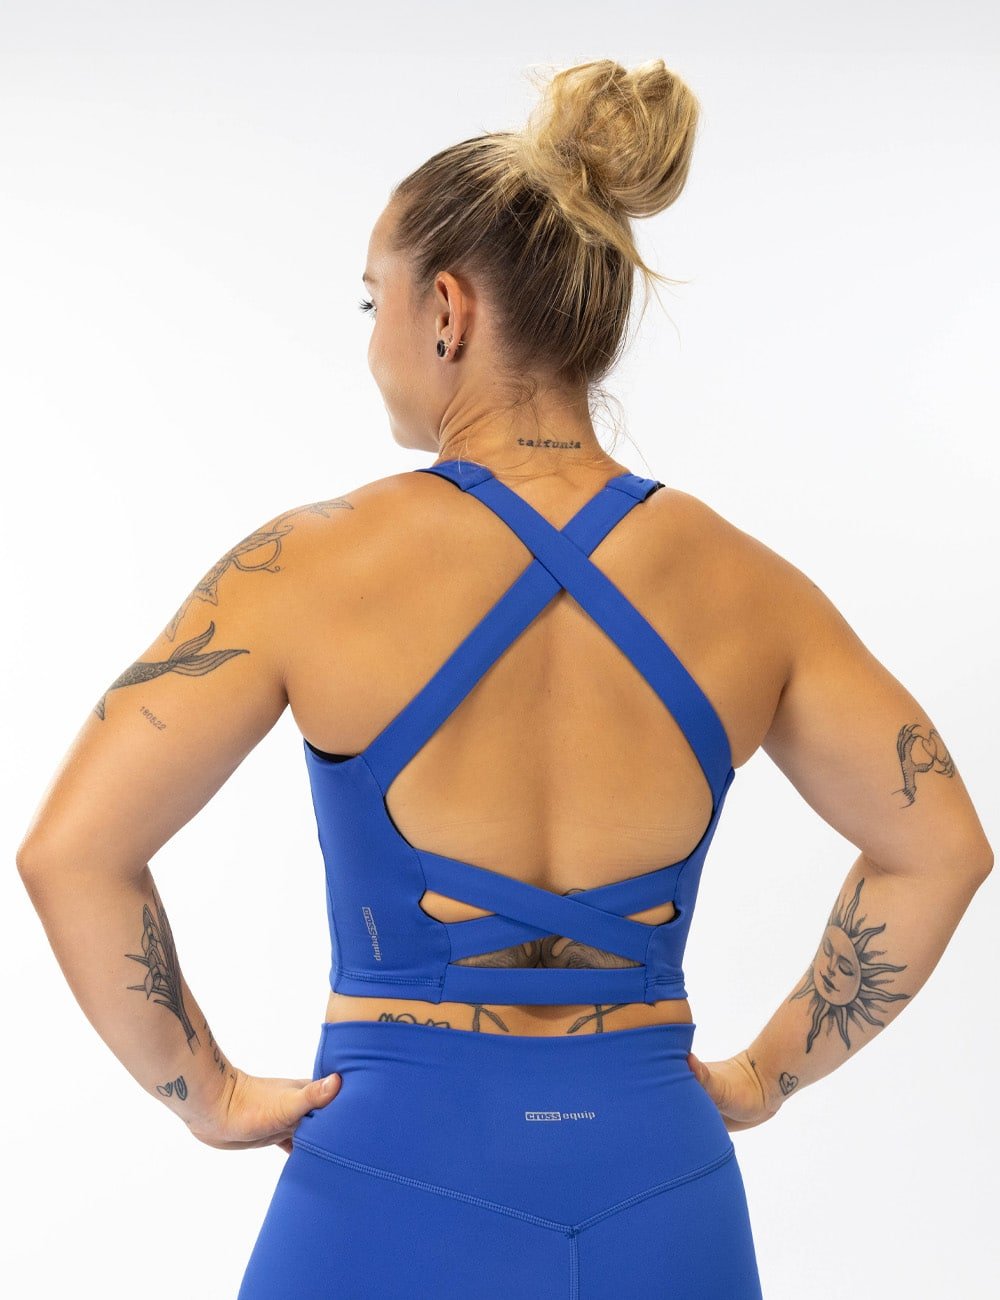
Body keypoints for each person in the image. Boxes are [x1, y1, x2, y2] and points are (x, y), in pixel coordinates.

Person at [16, 57, 993, 1300]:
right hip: (660, 1178)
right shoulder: (747, 583)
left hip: (388, 1172)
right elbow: (939, 849)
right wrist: (762, 1075)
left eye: (368, 298)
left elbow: (72, 852)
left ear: (446, 310)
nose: (371, 339)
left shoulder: (308, 567)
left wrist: (203, 1093)